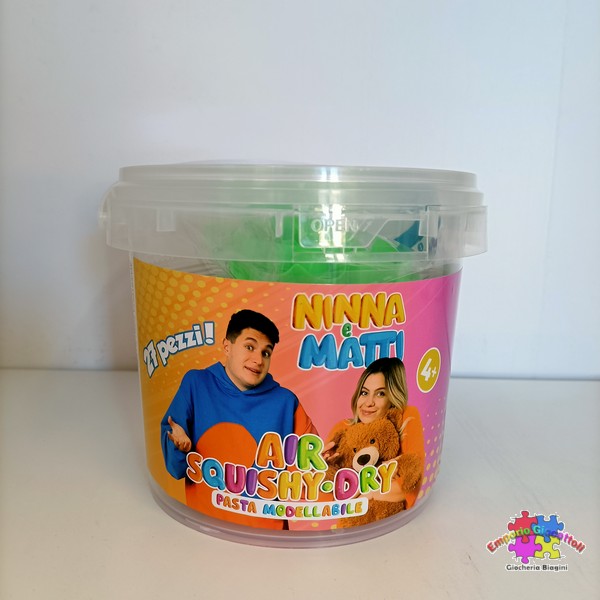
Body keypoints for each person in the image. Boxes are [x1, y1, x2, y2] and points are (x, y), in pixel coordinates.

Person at [161, 309, 315, 529]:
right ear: (227, 346)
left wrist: (326, 461)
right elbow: (175, 469)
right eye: (250, 347)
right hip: (206, 528)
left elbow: (312, 470)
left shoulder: (286, 402)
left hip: (267, 535)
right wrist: (180, 448)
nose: (258, 360)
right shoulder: (196, 383)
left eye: (266, 353)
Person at [325, 357, 425, 509]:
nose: (369, 402)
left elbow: (411, 484)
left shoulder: (406, 418)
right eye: (364, 393)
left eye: (380, 394)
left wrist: (369, 494)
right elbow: (330, 498)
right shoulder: (343, 429)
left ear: (392, 398)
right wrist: (319, 469)